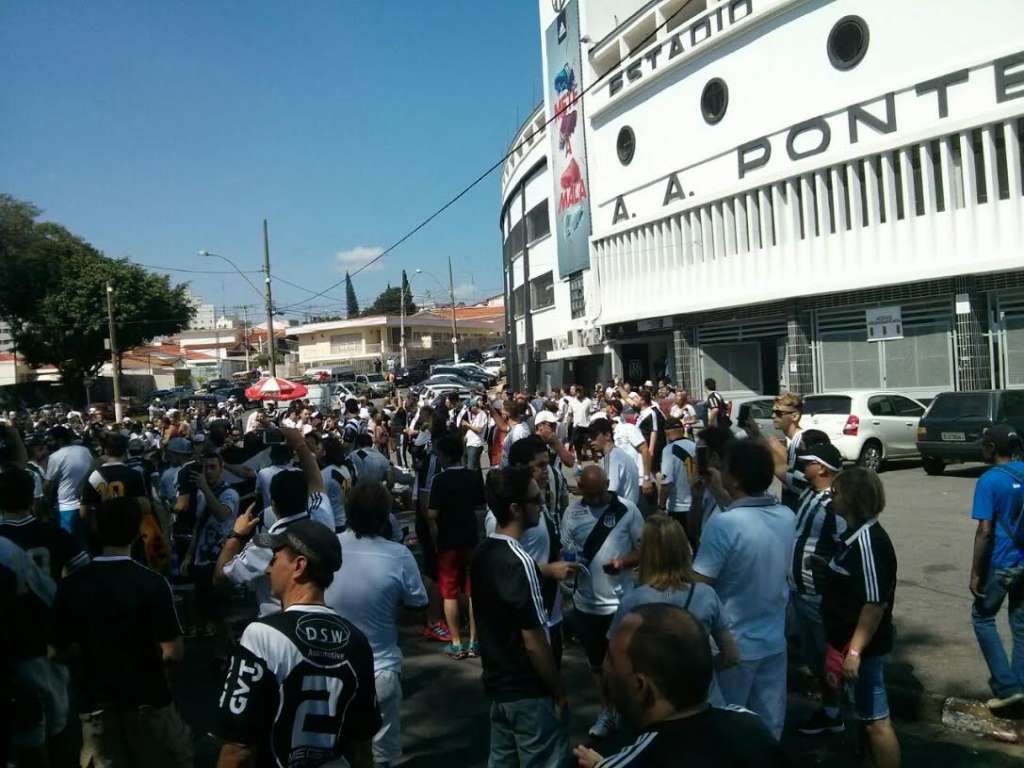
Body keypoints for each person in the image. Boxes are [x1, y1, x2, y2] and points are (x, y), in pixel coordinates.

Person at [215, 519, 380, 768]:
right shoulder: (357, 641)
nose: (268, 569)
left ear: (299, 566)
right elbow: (362, 746)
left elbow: (238, 749)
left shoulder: (262, 635)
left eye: (274, 559)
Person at [51, 497, 193, 767]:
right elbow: (173, 652)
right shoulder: (152, 583)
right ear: (137, 531)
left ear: (96, 529)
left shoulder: (72, 585)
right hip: (148, 701)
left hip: (96, 706)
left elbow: (56, 650)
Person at [573, 605, 786, 768]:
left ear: (641, 686)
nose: (604, 667)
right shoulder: (751, 725)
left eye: (610, 659)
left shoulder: (631, 760)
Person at [692, 440, 794, 741]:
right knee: (768, 728)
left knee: (727, 730)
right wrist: (721, 496)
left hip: (732, 645)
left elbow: (699, 585)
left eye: (723, 467)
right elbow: (750, 521)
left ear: (734, 477)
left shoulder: (723, 525)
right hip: (773, 640)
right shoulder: (786, 516)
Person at [325, 483, 429, 768]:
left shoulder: (330, 546)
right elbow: (418, 609)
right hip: (380, 668)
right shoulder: (398, 555)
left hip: (329, 669)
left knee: (335, 749)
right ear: (386, 517)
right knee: (382, 756)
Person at [472, 466, 568, 768]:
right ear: (515, 508)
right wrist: (558, 689)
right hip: (528, 690)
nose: (541, 504)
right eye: (536, 500)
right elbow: (534, 640)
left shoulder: (484, 552)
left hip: (499, 686)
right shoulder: (521, 561)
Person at [609, 515, 739, 701]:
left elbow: (614, 662)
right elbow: (732, 656)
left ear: (645, 553)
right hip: (704, 700)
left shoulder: (633, 601)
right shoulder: (706, 594)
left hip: (655, 704)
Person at [822, 467, 900, 768]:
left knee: (876, 722)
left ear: (853, 498)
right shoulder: (853, 535)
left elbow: (874, 603)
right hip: (847, 644)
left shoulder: (869, 542)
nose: (832, 498)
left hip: (862, 650)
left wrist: (854, 651)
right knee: (864, 716)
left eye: (836, 493)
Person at [562, 465, 644, 738]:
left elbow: (644, 549)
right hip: (587, 604)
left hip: (621, 603)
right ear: (580, 489)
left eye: (601, 493)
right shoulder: (572, 513)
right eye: (590, 494)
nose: (597, 500)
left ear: (608, 484)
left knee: (626, 663)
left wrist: (623, 562)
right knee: (598, 664)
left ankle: (635, 712)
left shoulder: (627, 509)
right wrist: (569, 567)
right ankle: (607, 711)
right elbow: (567, 551)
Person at [488, 436, 579, 667]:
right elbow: (501, 572)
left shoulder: (537, 503)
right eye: (539, 466)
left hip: (551, 613)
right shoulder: (504, 515)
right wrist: (549, 570)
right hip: (526, 624)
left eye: (547, 464)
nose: (546, 471)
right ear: (519, 468)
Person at [787, 443, 847, 735]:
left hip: (818, 595)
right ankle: (830, 709)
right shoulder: (809, 492)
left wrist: (829, 565)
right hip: (800, 592)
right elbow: (777, 469)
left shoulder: (836, 504)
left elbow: (847, 546)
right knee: (815, 659)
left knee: (829, 659)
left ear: (822, 468)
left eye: (808, 461)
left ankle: (838, 712)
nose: (802, 465)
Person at [969, 424, 1024, 711]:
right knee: (1021, 624)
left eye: (983, 445)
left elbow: (985, 531)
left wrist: (975, 573)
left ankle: (1007, 686)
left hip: (1001, 562)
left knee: (982, 617)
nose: (981, 449)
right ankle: (1020, 686)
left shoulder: (989, 480)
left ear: (991, 448)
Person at [427, 432, 486, 658]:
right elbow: (481, 508)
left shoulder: (439, 480)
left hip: (448, 541)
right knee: (473, 591)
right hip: (471, 538)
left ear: (444, 455)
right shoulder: (472, 476)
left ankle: (456, 642)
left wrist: (435, 539)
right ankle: (474, 640)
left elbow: (433, 514)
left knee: (449, 593)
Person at [176, 450, 240, 638]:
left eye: (213, 467)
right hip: (202, 559)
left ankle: (226, 653)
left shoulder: (230, 493)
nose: (209, 471)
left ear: (221, 469)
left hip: (220, 559)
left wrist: (204, 488)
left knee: (221, 612)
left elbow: (222, 514)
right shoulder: (203, 494)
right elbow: (199, 525)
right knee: (204, 607)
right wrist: (189, 556)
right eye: (205, 468)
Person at [44, 426, 94, 545]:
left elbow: (47, 485)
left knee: (70, 544)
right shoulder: (85, 450)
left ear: (60, 440)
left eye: (51, 440)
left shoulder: (55, 457)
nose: (48, 443)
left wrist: (46, 504)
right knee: (89, 541)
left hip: (67, 507)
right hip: (88, 504)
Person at [588, 417, 640, 506]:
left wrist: (585, 490)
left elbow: (608, 493)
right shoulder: (620, 454)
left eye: (594, 436)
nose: (589, 440)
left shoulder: (611, 459)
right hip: (630, 510)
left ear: (608, 435)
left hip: (621, 514)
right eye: (589, 436)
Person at [657, 417, 696, 525]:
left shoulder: (669, 450)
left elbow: (666, 483)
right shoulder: (695, 446)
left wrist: (661, 507)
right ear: (682, 430)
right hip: (697, 505)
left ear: (667, 433)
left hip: (678, 508)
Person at [771, 393, 805, 509]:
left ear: (795, 416)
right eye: (773, 412)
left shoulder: (801, 441)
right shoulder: (790, 439)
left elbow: (800, 483)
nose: (773, 416)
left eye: (779, 413)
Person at [501, 400, 532, 467]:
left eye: (502, 411)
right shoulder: (520, 426)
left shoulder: (518, 431)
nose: (501, 413)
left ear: (507, 415)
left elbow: (519, 455)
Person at [463, 397, 489, 473]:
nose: (470, 410)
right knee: (475, 468)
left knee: (471, 468)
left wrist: (467, 424)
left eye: (470, 408)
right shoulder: (477, 415)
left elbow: (478, 429)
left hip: (475, 444)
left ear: (474, 406)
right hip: (470, 443)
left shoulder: (481, 414)